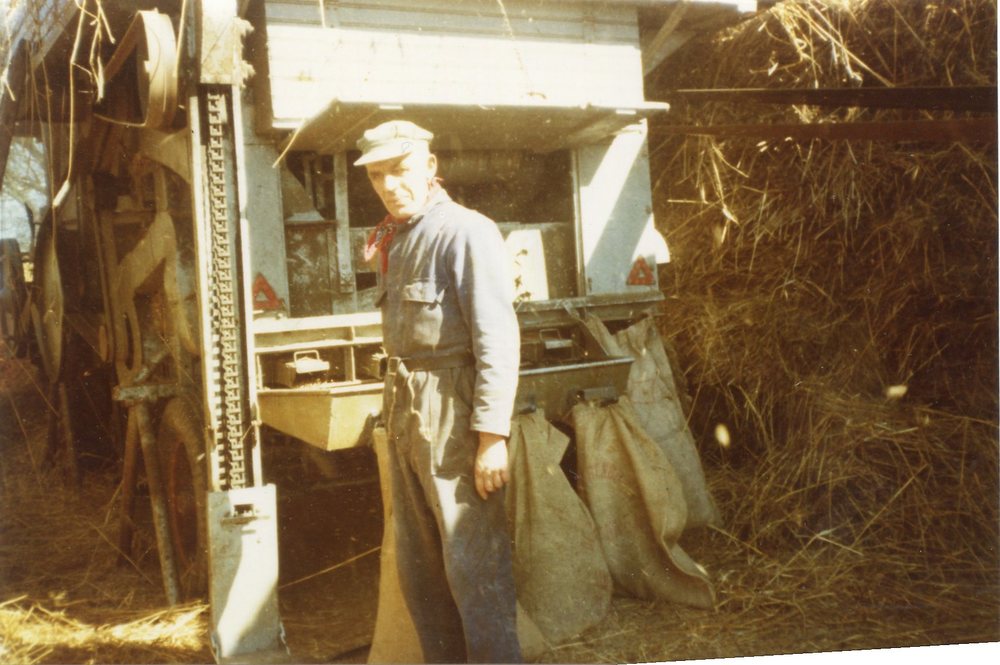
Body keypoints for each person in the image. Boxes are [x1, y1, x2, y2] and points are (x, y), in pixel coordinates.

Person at [357, 120, 522, 663]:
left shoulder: (467, 231)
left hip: (452, 406)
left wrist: (491, 437)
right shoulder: (396, 237)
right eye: (377, 175)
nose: (389, 185)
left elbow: (497, 339)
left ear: (430, 167)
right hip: (405, 403)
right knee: (421, 569)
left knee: (474, 568)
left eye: (400, 169)